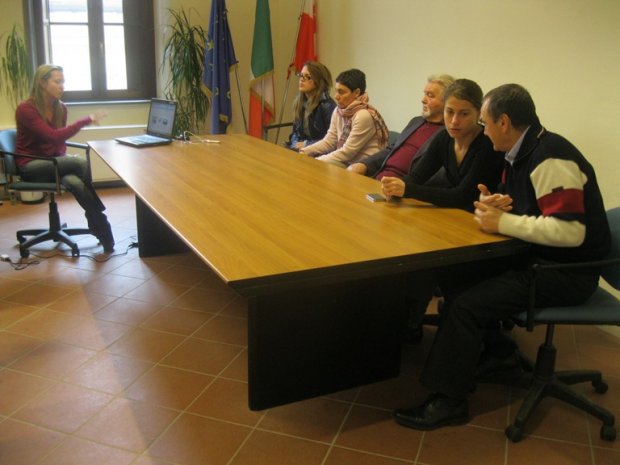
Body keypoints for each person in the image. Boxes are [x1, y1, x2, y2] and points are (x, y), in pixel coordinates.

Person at [393, 83, 611, 431]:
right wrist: (499, 202)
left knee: (466, 306)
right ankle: (496, 351)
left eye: (484, 121)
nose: (483, 129)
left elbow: (571, 231)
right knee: (455, 271)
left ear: (504, 122)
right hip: (538, 257)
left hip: (566, 272)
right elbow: (533, 207)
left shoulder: (551, 158)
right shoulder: (521, 151)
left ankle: (450, 401)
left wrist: (503, 222)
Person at [15, 64, 114, 252]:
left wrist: (63, 158)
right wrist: (86, 120)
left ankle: (98, 224)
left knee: (75, 182)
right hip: (31, 166)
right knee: (80, 162)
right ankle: (99, 219)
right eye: (57, 82)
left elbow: (58, 142)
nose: (62, 86)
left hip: (55, 163)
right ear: (42, 83)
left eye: (63, 82)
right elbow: (53, 137)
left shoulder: (61, 108)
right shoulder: (26, 109)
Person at [380, 79, 504, 212]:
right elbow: (417, 176)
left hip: (479, 216)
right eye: (449, 112)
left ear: (479, 113)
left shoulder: (488, 144)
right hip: (452, 213)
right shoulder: (444, 137)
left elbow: (462, 196)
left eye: (464, 114)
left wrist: (407, 189)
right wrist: (394, 186)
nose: (454, 121)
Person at [348, 73, 454, 179]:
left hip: (404, 185)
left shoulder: (448, 134)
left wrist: (405, 185)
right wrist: (364, 164)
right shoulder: (416, 122)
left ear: (447, 101)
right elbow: (391, 149)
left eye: (430, 95)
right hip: (378, 177)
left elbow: (438, 174)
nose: (423, 100)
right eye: (424, 94)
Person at [300, 68, 389, 167]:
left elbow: (347, 152)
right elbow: (329, 142)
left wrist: (316, 161)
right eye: (336, 91)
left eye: (341, 92)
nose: (336, 96)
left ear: (356, 93)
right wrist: (305, 151)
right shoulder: (339, 110)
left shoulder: (363, 115)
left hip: (362, 168)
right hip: (347, 162)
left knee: (315, 167)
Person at [286, 61, 336, 151]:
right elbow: (295, 133)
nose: (301, 79)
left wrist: (306, 144)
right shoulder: (299, 102)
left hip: (320, 153)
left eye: (308, 77)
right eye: (301, 75)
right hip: (302, 151)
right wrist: (294, 144)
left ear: (319, 81)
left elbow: (332, 141)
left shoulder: (328, 106)